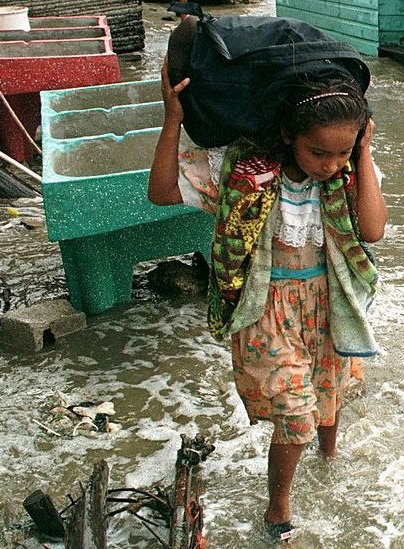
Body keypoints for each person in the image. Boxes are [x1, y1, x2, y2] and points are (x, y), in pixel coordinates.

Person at [148, 52, 387, 543]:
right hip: (267, 310)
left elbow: (373, 231)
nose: (330, 164)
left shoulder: (348, 175)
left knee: (329, 389)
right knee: (296, 415)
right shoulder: (243, 175)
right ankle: (278, 507)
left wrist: (361, 157)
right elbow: (162, 192)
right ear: (288, 137)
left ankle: (330, 456)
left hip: (327, 302)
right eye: (319, 152)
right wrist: (173, 119)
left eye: (341, 153)